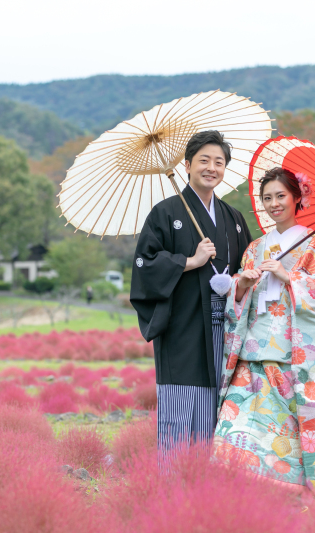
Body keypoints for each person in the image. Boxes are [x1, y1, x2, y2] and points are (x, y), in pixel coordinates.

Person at [213, 167, 315, 491]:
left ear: (297, 198)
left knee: (286, 429)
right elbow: (237, 297)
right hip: (251, 351)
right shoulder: (255, 248)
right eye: (267, 198)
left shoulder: (314, 246)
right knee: (235, 424)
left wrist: (291, 276)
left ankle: (285, 494)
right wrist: (242, 284)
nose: (274, 204)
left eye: (280, 196)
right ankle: (239, 490)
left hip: (291, 353)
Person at [130, 130, 253, 462]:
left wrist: (237, 283)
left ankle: (212, 483)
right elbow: (145, 264)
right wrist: (189, 261)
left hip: (225, 326)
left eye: (219, 162)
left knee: (222, 402)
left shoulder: (234, 219)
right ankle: (174, 479)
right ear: (186, 165)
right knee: (180, 406)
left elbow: (248, 267)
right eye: (204, 161)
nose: (211, 168)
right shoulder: (165, 213)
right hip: (183, 325)